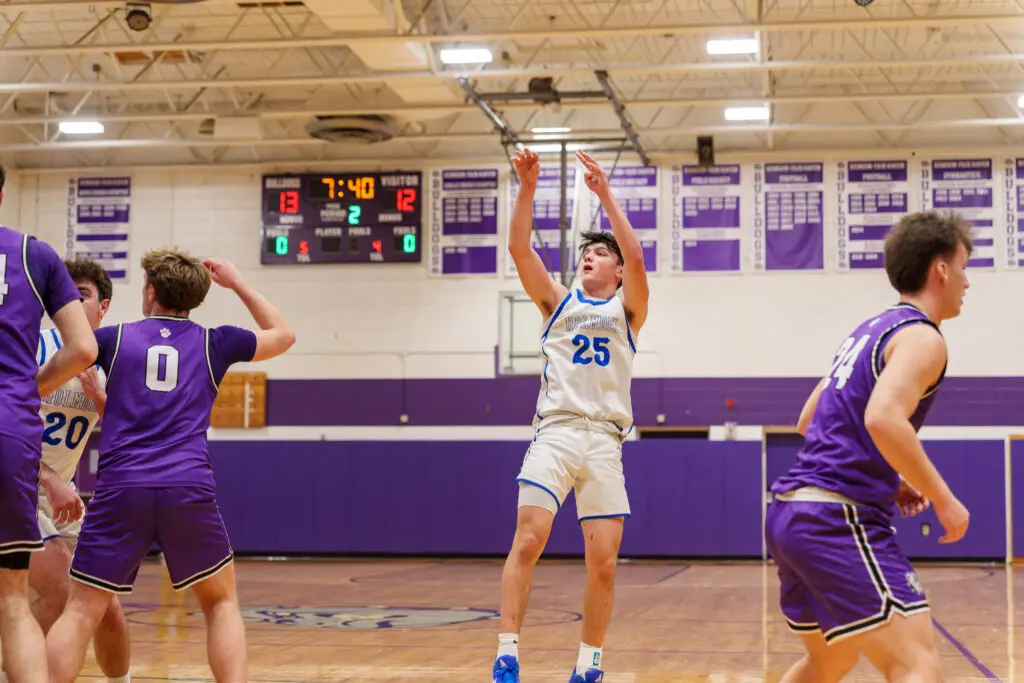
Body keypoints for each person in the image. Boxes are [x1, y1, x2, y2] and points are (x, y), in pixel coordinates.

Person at [42, 249, 295, 683]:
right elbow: (284, 334)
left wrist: (30, 389)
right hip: (187, 486)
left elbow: (68, 362)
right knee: (221, 604)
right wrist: (236, 283)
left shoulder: (114, 339)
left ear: (151, 291)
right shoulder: (217, 341)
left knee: (81, 610)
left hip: (123, 487)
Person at [765, 210, 973, 683]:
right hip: (834, 520)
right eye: (964, 266)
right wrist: (944, 499)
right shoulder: (923, 337)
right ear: (941, 269)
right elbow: (882, 417)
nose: (967, 281)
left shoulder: (868, 331)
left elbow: (808, 420)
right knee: (918, 665)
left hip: (790, 513)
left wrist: (887, 476)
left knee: (830, 661)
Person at [493, 149, 650, 683]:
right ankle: (507, 651)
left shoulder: (628, 311)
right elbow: (518, 249)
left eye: (601, 253)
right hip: (557, 431)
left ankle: (589, 667)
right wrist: (527, 186)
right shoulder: (557, 303)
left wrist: (605, 193)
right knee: (529, 536)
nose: (591, 257)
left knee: (603, 561)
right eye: (587, 253)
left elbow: (638, 255)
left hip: (605, 441)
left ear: (618, 270)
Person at [0, 164, 99, 683]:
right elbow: (81, 347)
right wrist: (28, 389)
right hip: (12, 440)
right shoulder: (33, 255)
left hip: (41, 477)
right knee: (15, 600)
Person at [31, 257, 131, 683]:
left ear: (102, 308)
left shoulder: (111, 361)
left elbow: (133, 434)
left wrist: (101, 396)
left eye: (82, 294)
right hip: (18, 485)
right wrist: (49, 479)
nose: (70, 301)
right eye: (64, 294)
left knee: (105, 605)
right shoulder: (34, 347)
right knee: (59, 591)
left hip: (62, 495)